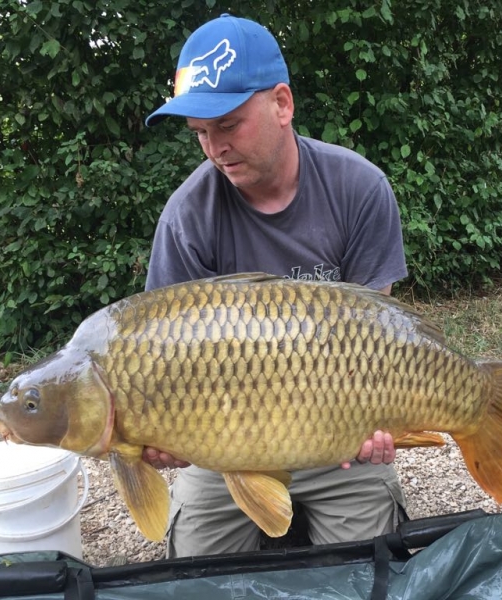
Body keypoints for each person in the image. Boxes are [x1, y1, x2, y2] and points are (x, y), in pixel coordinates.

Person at [143, 14, 409, 558]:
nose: (215, 148)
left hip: (336, 433)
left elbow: (376, 342)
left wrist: (379, 421)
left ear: (282, 104)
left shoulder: (359, 188)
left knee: (368, 571)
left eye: (229, 125)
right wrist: (167, 434)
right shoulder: (186, 217)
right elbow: (164, 359)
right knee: (192, 578)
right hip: (227, 446)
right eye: (200, 133)